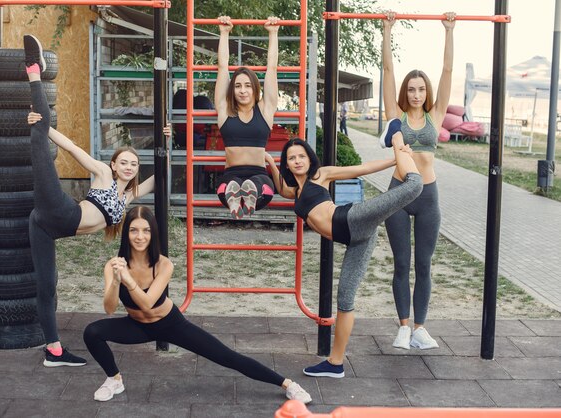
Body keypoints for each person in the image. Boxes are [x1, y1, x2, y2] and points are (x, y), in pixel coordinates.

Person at [23, 35, 170, 367]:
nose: (130, 167)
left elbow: (161, 177)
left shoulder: (130, 195)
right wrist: (46, 129)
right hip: (59, 211)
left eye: (135, 164)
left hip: (49, 229)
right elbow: (74, 150)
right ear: (115, 164)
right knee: (39, 141)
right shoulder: (104, 174)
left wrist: (166, 140)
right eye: (125, 162)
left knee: (47, 287)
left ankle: (53, 351)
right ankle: (33, 70)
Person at [82, 206, 312, 403]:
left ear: (153, 234)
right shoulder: (114, 265)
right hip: (136, 326)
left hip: (170, 323)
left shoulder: (163, 264)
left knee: (227, 357)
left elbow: (148, 304)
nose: (139, 236)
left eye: (146, 230)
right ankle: (114, 379)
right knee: (92, 332)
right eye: (133, 230)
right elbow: (110, 309)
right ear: (126, 233)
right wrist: (115, 281)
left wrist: (129, 280)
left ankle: (287, 384)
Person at [264, 123, 423, 378]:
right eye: (291, 158)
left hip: (352, 219)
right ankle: (335, 363)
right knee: (345, 298)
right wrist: (270, 162)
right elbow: (282, 189)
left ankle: (395, 136)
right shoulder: (296, 189)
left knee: (414, 186)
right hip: (357, 239)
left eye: (301, 156)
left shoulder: (320, 175)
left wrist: (396, 158)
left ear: (309, 158)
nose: (297, 161)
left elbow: (360, 169)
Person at [381, 12, 456, 350]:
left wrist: (449, 31)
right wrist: (387, 30)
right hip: (399, 193)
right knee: (402, 264)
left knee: (423, 265)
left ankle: (420, 327)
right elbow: (387, 71)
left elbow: (447, 72)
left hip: (428, 196)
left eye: (420, 88)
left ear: (426, 92)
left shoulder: (434, 116)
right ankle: (402, 326)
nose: (415, 93)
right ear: (404, 92)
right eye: (410, 89)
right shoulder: (394, 116)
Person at [214, 15, 280, 219]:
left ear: (255, 89)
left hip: (259, 173)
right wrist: (224, 33)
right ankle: (237, 194)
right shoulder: (224, 109)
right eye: (238, 86)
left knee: (264, 190)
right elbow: (223, 67)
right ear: (232, 90)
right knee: (224, 189)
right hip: (231, 174)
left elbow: (272, 68)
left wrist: (273, 33)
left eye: (248, 85)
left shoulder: (265, 109)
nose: (243, 91)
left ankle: (250, 191)